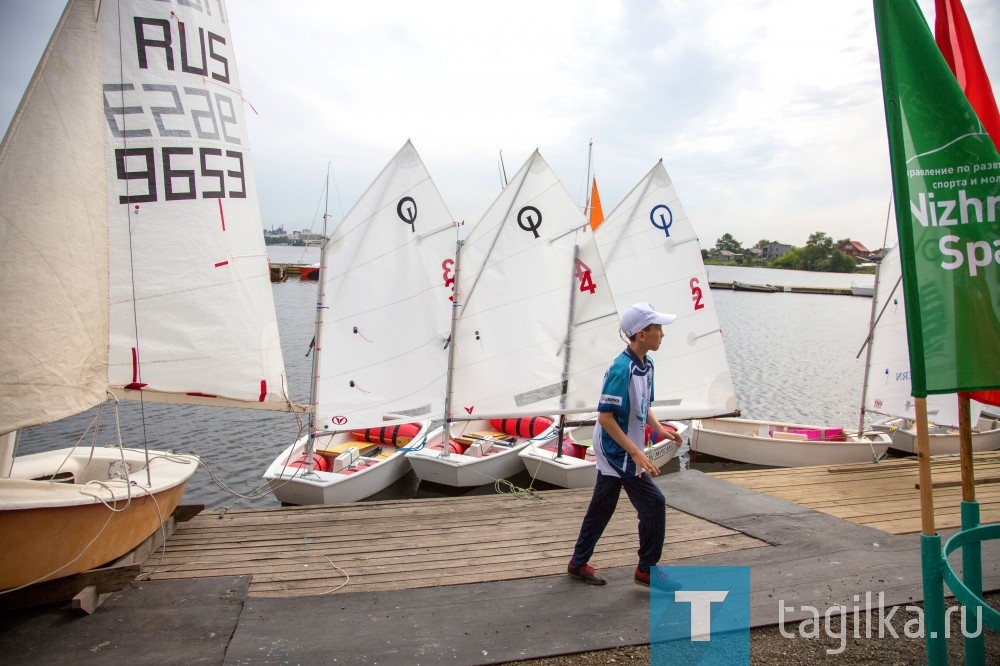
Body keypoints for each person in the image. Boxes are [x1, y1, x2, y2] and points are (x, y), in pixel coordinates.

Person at [567, 302, 684, 589]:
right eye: (657, 328)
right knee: (654, 503)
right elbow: (605, 417)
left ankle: (577, 563)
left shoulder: (647, 364)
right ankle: (646, 571)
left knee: (602, 507)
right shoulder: (622, 370)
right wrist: (634, 452)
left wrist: (660, 430)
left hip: (628, 448)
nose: (662, 334)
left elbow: (644, 405)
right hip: (615, 449)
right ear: (641, 334)